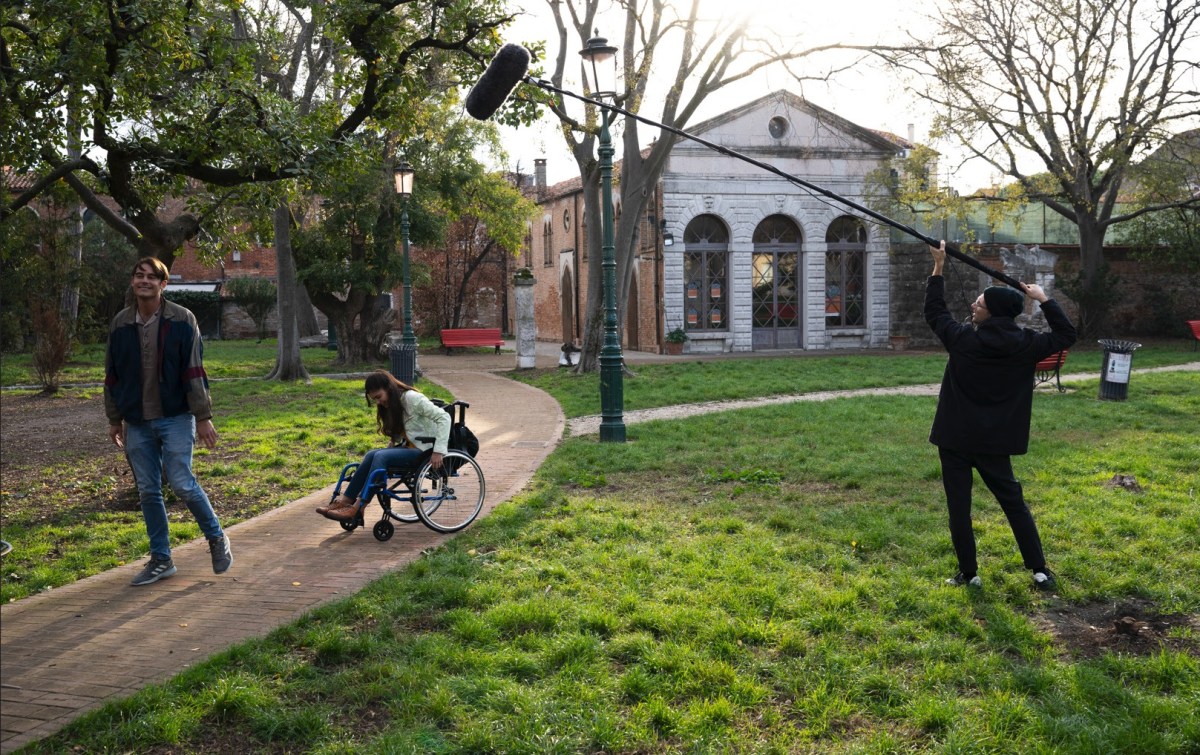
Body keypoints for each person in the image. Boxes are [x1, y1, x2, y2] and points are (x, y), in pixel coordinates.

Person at [925, 241, 1076, 590]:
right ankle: (1039, 570)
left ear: (992, 312)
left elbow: (934, 312)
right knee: (1014, 504)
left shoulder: (963, 339)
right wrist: (1043, 298)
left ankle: (969, 573)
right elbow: (1067, 334)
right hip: (996, 442)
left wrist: (938, 268)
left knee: (959, 508)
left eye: (981, 302)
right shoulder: (1027, 345)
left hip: (955, 439)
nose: (974, 304)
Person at [105, 257, 233, 586]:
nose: (144, 280)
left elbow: (194, 370)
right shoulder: (120, 323)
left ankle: (217, 538)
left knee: (182, 483)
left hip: (176, 416)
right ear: (133, 283)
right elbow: (113, 375)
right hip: (137, 421)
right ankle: (161, 559)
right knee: (148, 491)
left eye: (152, 277)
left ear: (163, 285)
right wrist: (114, 419)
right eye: (139, 275)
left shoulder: (182, 319)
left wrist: (203, 417)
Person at [317, 370, 450, 521]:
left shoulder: (412, 398)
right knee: (371, 454)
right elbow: (403, 426)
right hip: (409, 448)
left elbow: (444, 417)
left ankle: (359, 507)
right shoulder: (393, 403)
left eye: (379, 397)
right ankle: (345, 502)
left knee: (381, 456)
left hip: (425, 450)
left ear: (389, 388)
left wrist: (439, 450)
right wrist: (392, 443)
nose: (378, 402)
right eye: (375, 399)